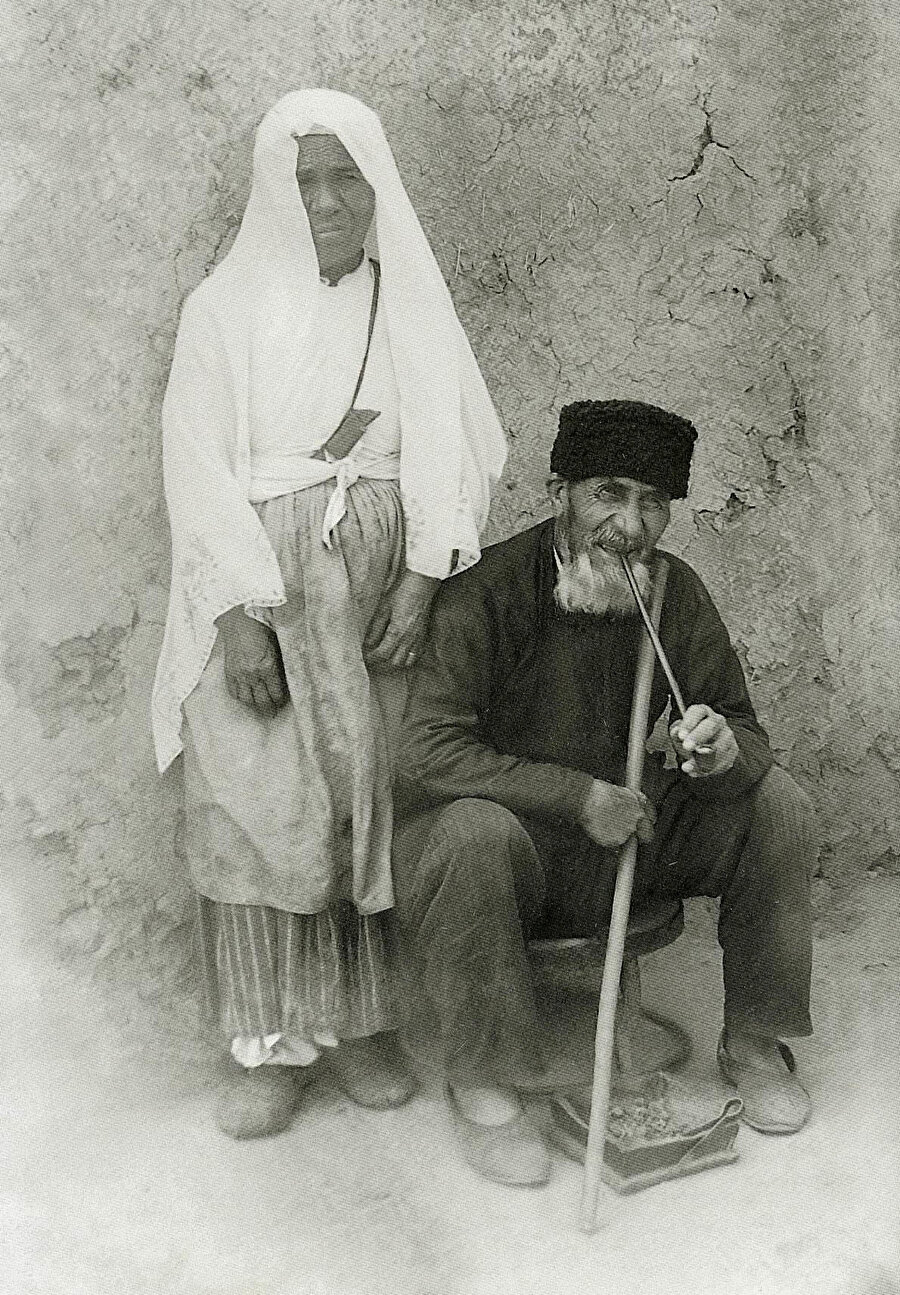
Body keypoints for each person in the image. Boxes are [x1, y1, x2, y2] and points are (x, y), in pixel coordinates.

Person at [151, 89, 507, 1139]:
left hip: (378, 602)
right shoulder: (221, 311)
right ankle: (267, 1044)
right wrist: (237, 617)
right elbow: (195, 462)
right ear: (275, 191)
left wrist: (422, 579)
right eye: (304, 181)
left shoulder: (407, 306)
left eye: (344, 177)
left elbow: (460, 440)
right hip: (263, 592)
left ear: (375, 184)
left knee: (369, 798)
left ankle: (363, 1029)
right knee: (259, 802)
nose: (326, 200)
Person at [392, 399, 816, 1186]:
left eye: (652, 501)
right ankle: (482, 1082)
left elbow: (742, 725)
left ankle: (755, 1041)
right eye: (609, 493)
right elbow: (425, 750)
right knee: (470, 830)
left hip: (629, 840)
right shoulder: (485, 590)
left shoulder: (672, 590)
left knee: (777, 801)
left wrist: (716, 747)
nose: (629, 523)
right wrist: (576, 794)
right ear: (561, 490)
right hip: (506, 858)